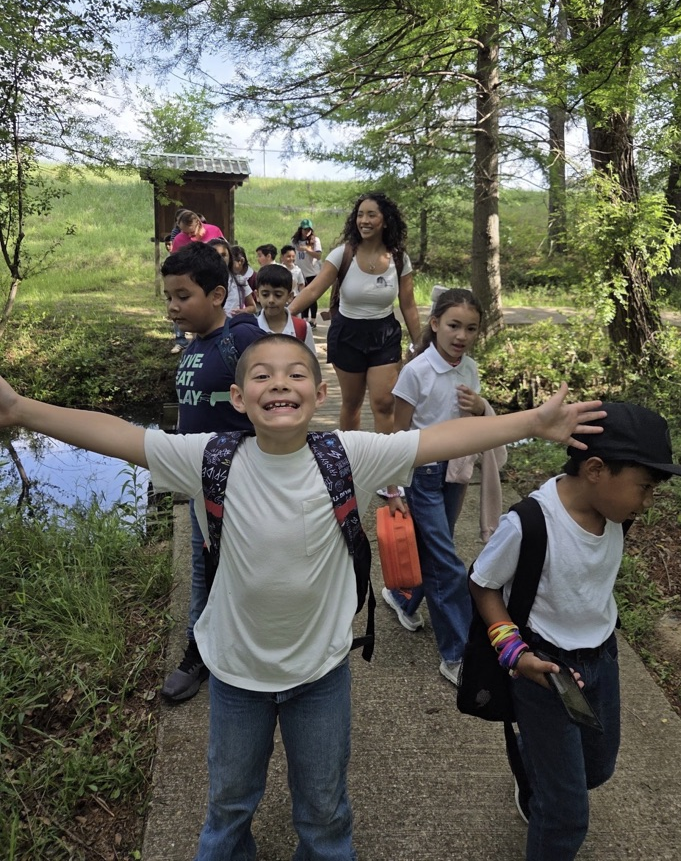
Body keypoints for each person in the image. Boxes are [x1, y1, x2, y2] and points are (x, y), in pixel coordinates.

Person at [0, 336, 607, 861]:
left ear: (319, 394)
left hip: (320, 672)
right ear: (239, 400)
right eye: (260, 376)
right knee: (229, 805)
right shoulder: (208, 458)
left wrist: (531, 421)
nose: (278, 384)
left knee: (323, 809)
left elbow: (439, 439)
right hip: (235, 673)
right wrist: (21, 408)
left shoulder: (348, 456)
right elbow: (120, 436)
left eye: (295, 375)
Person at [469, 402, 681, 861]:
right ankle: (543, 779)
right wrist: (512, 650)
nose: (647, 502)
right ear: (596, 469)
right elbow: (482, 582)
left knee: (596, 768)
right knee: (565, 816)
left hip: (602, 659)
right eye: (645, 488)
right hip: (546, 671)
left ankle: (534, 761)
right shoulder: (530, 524)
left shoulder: (617, 514)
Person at [160, 242, 264, 702]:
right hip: (199, 485)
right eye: (168, 297)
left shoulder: (239, 343)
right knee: (205, 568)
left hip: (238, 486)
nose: (173, 307)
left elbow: (272, 406)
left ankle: (211, 653)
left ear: (218, 295)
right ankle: (203, 651)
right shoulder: (194, 346)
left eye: (183, 296)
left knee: (232, 570)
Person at [381, 288, 496, 686]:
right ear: (434, 325)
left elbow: (478, 419)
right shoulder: (416, 372)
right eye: (453, 325)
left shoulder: (470, 368)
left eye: (470, 328)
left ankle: (402, 596)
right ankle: (458, 654)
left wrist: (480, 407)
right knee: (447, 564)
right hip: (422, 475)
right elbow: (398, 433)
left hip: (458, 472)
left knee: (436, 548)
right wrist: (393, 489)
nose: (461, 335)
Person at [288, 192, 421, 433]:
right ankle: (351, 456)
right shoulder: (343, 254)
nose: (364, 220)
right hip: (347, 334)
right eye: (360, 215)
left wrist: (420, 342)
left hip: (385, 335)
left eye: (372, 215)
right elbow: (314, 289)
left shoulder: (399, 259)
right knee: (352, 403)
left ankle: (385, 459)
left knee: (384, 402)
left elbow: (409, 304)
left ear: (386, 220)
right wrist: (284, 315)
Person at [255, 263, 316, 354]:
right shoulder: (251, 327)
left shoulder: (302, 328)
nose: (271, 300)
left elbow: (310, 364)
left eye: (278, 295)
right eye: (265, 294)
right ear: (257, 295)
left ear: (290, 296)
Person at [207, 238, 256, 315]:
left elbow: (252, 307)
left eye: (223, 255)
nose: (220, 259)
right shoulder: (201, 281)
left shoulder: (239, 280)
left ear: (229, 257)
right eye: (215, 255)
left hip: (234, 324)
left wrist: (243, 311)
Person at [291, 218, 323, 328]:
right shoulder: (295, 241)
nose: (306, 232)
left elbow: (318, 255)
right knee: (302, 295)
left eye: (309, 229)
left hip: (313, 272)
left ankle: (313, 320)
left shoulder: (315, 241)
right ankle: (304, 319)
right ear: (300, 229)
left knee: (312, 296)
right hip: (300, 272)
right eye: (304, 229)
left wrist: (307, 249)